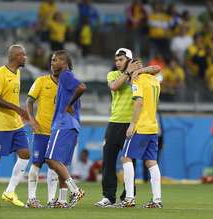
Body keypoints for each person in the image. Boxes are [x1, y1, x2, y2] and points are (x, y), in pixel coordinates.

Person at [95, 48, 160, 208]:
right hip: (115, 122)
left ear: (130, 61)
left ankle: (128, 197)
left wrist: (139, 70)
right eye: (116, 60)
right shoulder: (114, 75)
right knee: (108, 159)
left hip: (133, 122)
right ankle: (108, 197)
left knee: (130, 159)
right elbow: (114, 87)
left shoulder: (139, 77)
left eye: (121, 60)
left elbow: (157, 68)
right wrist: (127, 73)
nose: (117, 63)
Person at [0, 44, 30, 207]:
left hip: (15, 124)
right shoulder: (0, 73)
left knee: (25, 154)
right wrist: (17, 108)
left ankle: (10, 191)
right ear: (17, 56)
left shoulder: (18, 72)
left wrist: (19, 113)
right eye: (23, 55)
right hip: (0, 124)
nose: (25, 58)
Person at [45, 50, 86, 208]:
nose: (52, 63)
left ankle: (75, 190)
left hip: (63, 124)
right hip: (72, 125)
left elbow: (82, 87)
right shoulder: (67, 78)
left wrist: (69, 104)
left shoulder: (65, 75)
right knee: (61, 164)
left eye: (55, 60)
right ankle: (62, 200)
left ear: (64, 62)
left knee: (51, 159)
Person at [119, 65, 163, 208]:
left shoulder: (137, 80)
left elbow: (138, 102)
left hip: (141, 126)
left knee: (126, 158)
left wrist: (132, 124)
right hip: (153, 126)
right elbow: (157, 68)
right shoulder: (154, 80)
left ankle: (129, 198)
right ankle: (157, 200)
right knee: (151, 162)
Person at [26, 68, 59, 208]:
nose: (53, 64)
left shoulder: (66, 84)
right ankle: (31, 199)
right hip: (41, 131)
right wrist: (32, 120)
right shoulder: (41, 81)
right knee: (36, 163)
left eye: (56, 61)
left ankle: (51, 199)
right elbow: (29, 101)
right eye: (52, 61)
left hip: (57, 132)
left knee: (54, 166)